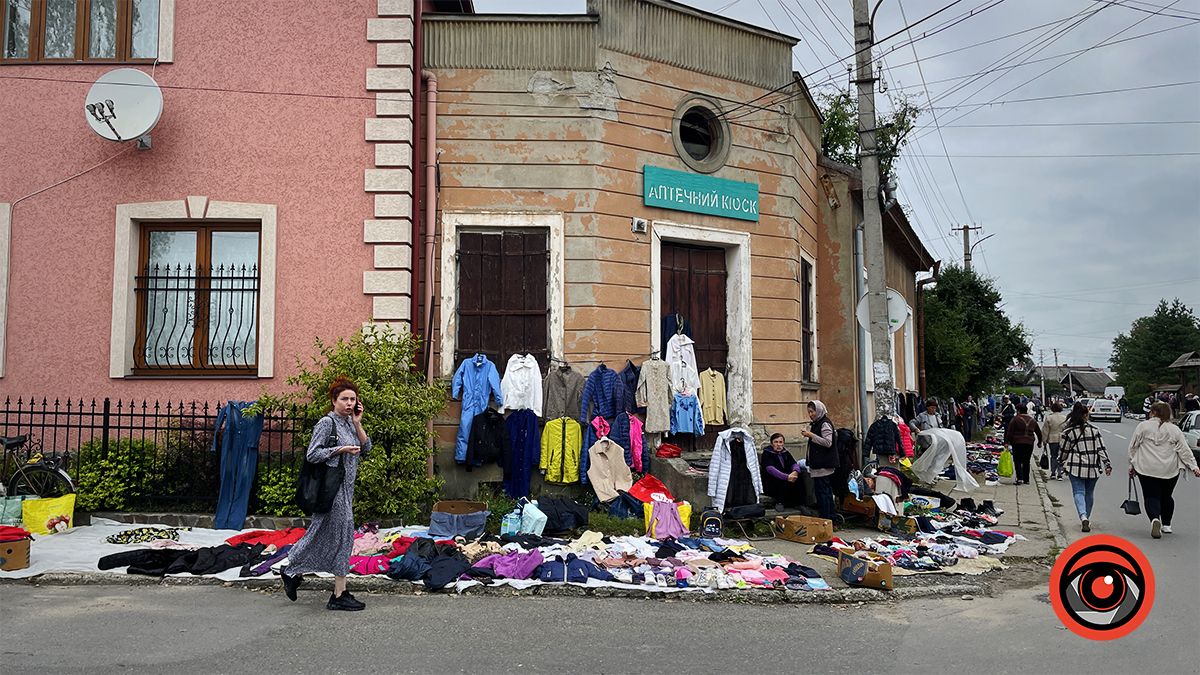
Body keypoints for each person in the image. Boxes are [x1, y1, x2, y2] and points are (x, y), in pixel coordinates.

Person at [282, 377, 373, 611]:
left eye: (353, 399)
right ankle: (334, 592)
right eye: (344, 399)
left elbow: (367, 448)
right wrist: (340, 449)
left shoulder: (350, 422)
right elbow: (313, 454)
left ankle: (295, 572)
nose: (349, 403)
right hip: (332, 489)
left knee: (327, 532)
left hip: (346, 488)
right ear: (334, 400)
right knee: (343, 534)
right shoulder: (326, 423)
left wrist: (358, 424)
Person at [1128, 401, 1200, 538]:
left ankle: (1155, 519)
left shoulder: (1143, 426)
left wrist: (1132, 464)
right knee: (1167, 496)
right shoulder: (1174, 430)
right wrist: (1194, 466)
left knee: (1151, 495)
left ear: (1154, 412)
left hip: (1146, 468)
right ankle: (1167, 525)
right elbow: (1184, 450)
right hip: (1169, 469)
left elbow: (1133, 447)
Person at [1058, 402, 1112, 532]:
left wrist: (1060, 461)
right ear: (1086, 415)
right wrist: (1107, 464)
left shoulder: (1068, 432)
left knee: (1078, 492)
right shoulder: (1095, 430)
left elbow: (1064, 451)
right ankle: (1087, 516)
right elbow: (1101, 449)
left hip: (1075, 467)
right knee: (1089, 493)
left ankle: (1083, 516)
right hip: (1093, 467)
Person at [802, 400, 838, 521]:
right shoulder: (817, 423)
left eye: (812, 412)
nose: (810, 414)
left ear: (819, 411)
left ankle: (826, 519)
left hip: (823, 465)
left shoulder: (824, 424)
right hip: (819, 464)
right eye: (809, 412)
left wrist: (811, 435)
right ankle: (830, 518)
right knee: (824, 493)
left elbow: (828, 442)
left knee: (823, 494)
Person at [760, 433, 808, 511]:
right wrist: (786, 477)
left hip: (787, 477)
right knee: (780, 481)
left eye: (780, 442)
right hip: (772, 480)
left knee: (799, 478)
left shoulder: (785, 452)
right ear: (772, 443)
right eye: (776, 442)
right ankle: (780, 502)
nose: (778, 444)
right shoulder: (767, 453)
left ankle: (800, 503)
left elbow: (794, 463)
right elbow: (770, 469)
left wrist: (795, 472)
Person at [1005, 403, 1043, 486]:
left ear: (1018, 411)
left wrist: (1007, 442)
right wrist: (1039, 442)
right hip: (1029, 443)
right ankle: (1026, 479)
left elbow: (1010, 432)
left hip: (1017, 442)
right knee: (1026, 460)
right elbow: (1038, 432)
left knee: (1017, 460)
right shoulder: (1032, 420)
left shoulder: (1015, 419)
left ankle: (1019, 478)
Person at [1041, 401, 1068, 480]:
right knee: (1061, 456)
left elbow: (1045, 430)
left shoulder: (1049, 418)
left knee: (1053, 456)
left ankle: (1053, 473)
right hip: (1062, 439)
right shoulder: (1064, 418)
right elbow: (1067, 429)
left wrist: (1044, 440)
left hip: (1052, 439)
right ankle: (1060, 473)